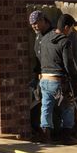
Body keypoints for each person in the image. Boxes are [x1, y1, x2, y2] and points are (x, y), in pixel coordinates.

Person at [37, 13, 77, 143]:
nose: (70, 32)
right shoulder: (65, 41)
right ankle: (66, 137)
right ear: (66, 27)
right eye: (70, 29)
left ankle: (46, 136)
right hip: (58, 82)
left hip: (44, 80)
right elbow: (68, 64)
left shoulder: (45, 38)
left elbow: (39, 56)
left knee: (46, 108)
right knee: (68, 107)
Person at [28, 9, 54, 139]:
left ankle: (47, 133)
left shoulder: (52, 35)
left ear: (43, 21)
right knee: (35, 101)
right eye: (32, 24)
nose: (34, 26)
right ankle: (37, 129)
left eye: (36, 23)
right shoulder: (38, 36)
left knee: (46, 104)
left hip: (50, 75)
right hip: (39, 74)